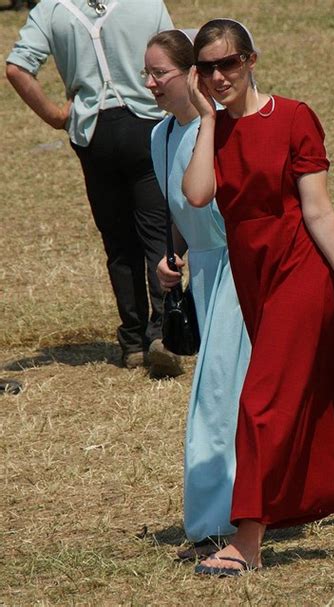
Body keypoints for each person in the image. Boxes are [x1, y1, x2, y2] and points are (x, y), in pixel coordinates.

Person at [183, 19, 334, 575]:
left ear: (251, 60)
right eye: (206, 67)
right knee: (330, 402)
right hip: (255, 279)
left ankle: (248, 538)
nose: (218, 76)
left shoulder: (293, 118)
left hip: (302, 277)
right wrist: (208, 118)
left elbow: (318, 209)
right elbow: (196, 195)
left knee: (261, 402)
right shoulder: (212, 129)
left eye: (228, 63)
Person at [5, 0, 183, 377]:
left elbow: (17, 69)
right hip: (146, 124)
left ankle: (133, 342)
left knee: (118, 242)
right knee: (158, 234)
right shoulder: (146, 4)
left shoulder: (51, 9)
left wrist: (55, 115)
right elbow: (174, 53)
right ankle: (162, 334)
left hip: (93, 132)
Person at [144, 29, 251, 555]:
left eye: (159, 73)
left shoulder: (227, 130)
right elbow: (183, 208)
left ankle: (213, 524)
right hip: (207, 274)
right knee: (259, 386)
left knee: (217, 398)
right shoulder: (159, 136)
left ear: (191, 75)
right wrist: (175, 256)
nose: (150, 83)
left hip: (243, 270)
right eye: (147, 73)